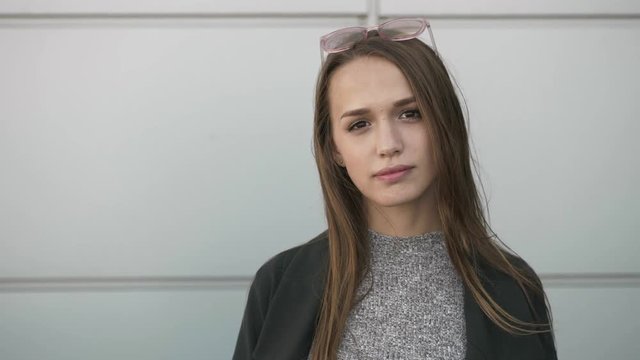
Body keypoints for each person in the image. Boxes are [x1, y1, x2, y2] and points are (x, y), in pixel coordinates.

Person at [232, 18, 557, 360]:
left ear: (445, 123)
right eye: (359, 124)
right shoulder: (279, 283)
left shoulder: (514, 288)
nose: (388, 145)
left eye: (410, 114)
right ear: (335, 149)